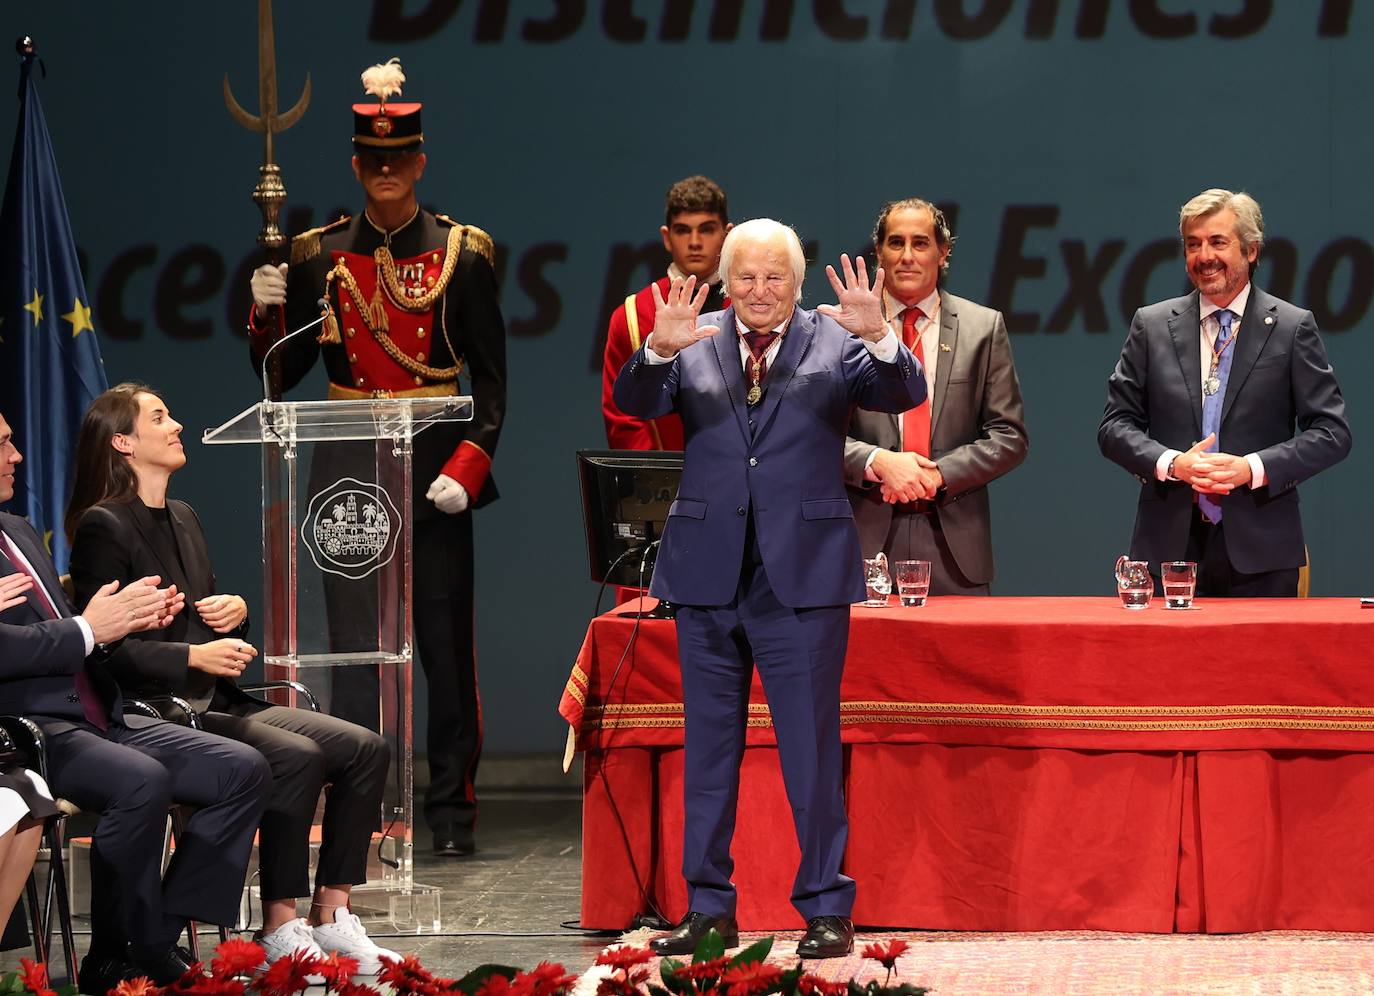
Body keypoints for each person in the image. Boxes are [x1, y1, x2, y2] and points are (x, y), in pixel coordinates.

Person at [614, 219, 925, 959]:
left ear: (797, 280)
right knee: (709, 752)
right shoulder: (695, 335)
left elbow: (901, 389)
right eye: (746, 277)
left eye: (775, 277)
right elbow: (636, 402)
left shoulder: (835, 336)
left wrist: (882, 336)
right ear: (726, 280)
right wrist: (659, 347)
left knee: (810, 752)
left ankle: (825, 907)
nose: (759, 292)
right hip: (707, 574)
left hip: (804, 575)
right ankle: (709, 908)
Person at [247, 60, 506, 856]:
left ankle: (450, 815)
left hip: (431, 468)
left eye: (400, 159)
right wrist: (262, 313)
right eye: (373, 160)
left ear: (420, 162)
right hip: (347, 462)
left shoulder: (463, 253)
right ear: (357, 166)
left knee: (440, 645)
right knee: (354, 648)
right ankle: (362, 811)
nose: (387, 171)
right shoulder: (314, 253)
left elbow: (492, 386)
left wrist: (465, 469)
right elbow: (280, 374)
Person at [66, 384, 399, 977]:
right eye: (160, 418)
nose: (177, 426)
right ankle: (280, 924)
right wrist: (193, 659)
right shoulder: (103, 526)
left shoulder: (185, 517)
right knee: (297, 756)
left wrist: (232, 610)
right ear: (123, 441)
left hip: (215, 698)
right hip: (158, 710)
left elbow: (192, 614)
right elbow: (104, 652)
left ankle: (332, 915)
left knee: (366, 748)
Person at [0, 410, 270, 992]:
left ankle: (152, 933)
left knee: (242, 769)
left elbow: (78, 627)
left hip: (103, 709)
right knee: (142, 779)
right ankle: (123, 949)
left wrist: (128, 620)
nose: (17, 456)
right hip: (36, 728)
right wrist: (90, 630)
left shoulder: (17, 529)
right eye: (3, 445)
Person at [1099, 188, 1351, 596]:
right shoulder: (1152, 325)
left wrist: (1251, 468)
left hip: (1263, 552)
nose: (1204, 256)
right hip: (1169, 549)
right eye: (1193, 244)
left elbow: (1332, 432)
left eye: (1218, 242)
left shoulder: (1291, 327)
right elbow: (1114, 427)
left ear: (1251, 250)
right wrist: (1172, 463)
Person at [844, 198, 1028, 594]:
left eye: (921, 243)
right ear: (878, 252)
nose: (907, 256)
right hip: (863, 543)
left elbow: (1009, 436)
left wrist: (937, 474)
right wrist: (879, 462)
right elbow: (815, 435)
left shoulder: (983, 328)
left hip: (955, 546)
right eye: (895, 243)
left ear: (943, 252)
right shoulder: (845, 332)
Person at [601, 175, 731, 450]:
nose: (695, 242)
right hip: (661, 484)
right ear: (666, 237)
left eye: (707, 229)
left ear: (727, 234)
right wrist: (656, 482)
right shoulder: (631, 315)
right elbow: (622, 417)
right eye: (683, 230)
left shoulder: (752, 304)